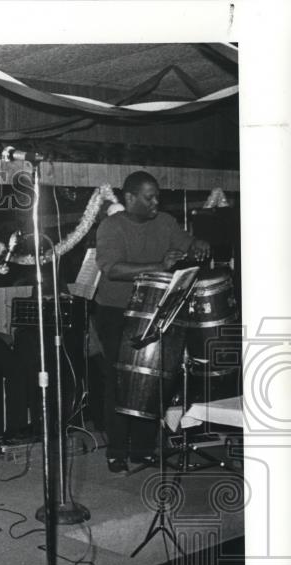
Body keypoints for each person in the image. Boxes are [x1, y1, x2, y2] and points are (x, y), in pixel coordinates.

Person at [94, 170, 210, 472]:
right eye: (149, 197)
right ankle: (117, 450)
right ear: (130, 198)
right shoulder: (111, 226)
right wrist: (159, 265)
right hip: (116, 311)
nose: (156, 201)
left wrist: (197, 242)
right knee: (120, 380)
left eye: (157, 195)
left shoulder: (166, 223)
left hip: (158, 309)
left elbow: (187, 243)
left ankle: (143, 449)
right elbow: (113, 269)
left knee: (155, 378)